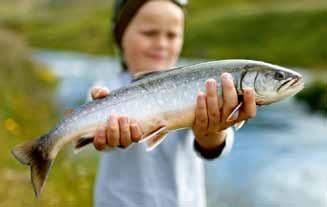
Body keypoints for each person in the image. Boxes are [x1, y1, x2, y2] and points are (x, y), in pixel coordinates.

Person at [89, 0, 257, 206]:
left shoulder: (199, 84)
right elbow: (98, 141)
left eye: (172, 35)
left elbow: (215, 146)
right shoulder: (105, 90)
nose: (161, 43)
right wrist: (105, 136)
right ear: (121, 37)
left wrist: (212, 132)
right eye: (149, 33)